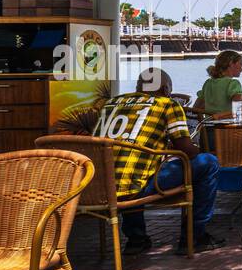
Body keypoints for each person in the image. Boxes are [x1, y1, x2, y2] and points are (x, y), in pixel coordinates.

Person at [95, 67, 222, 255]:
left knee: (132, 168)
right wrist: (198, 149)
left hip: (99, 187)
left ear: (139, 86)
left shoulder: (111, 103)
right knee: (208, 163)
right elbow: (185, 149)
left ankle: (136, 239)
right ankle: (193, 237)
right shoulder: (167, 104)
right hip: (136, 188)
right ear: (165, 90)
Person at [192, 50, 242, 116]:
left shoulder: (208, 83)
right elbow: (239, 110)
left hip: (209, 124)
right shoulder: (233, 83)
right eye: (241, 64)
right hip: (227, 124)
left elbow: (196, 108)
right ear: (231, 63)